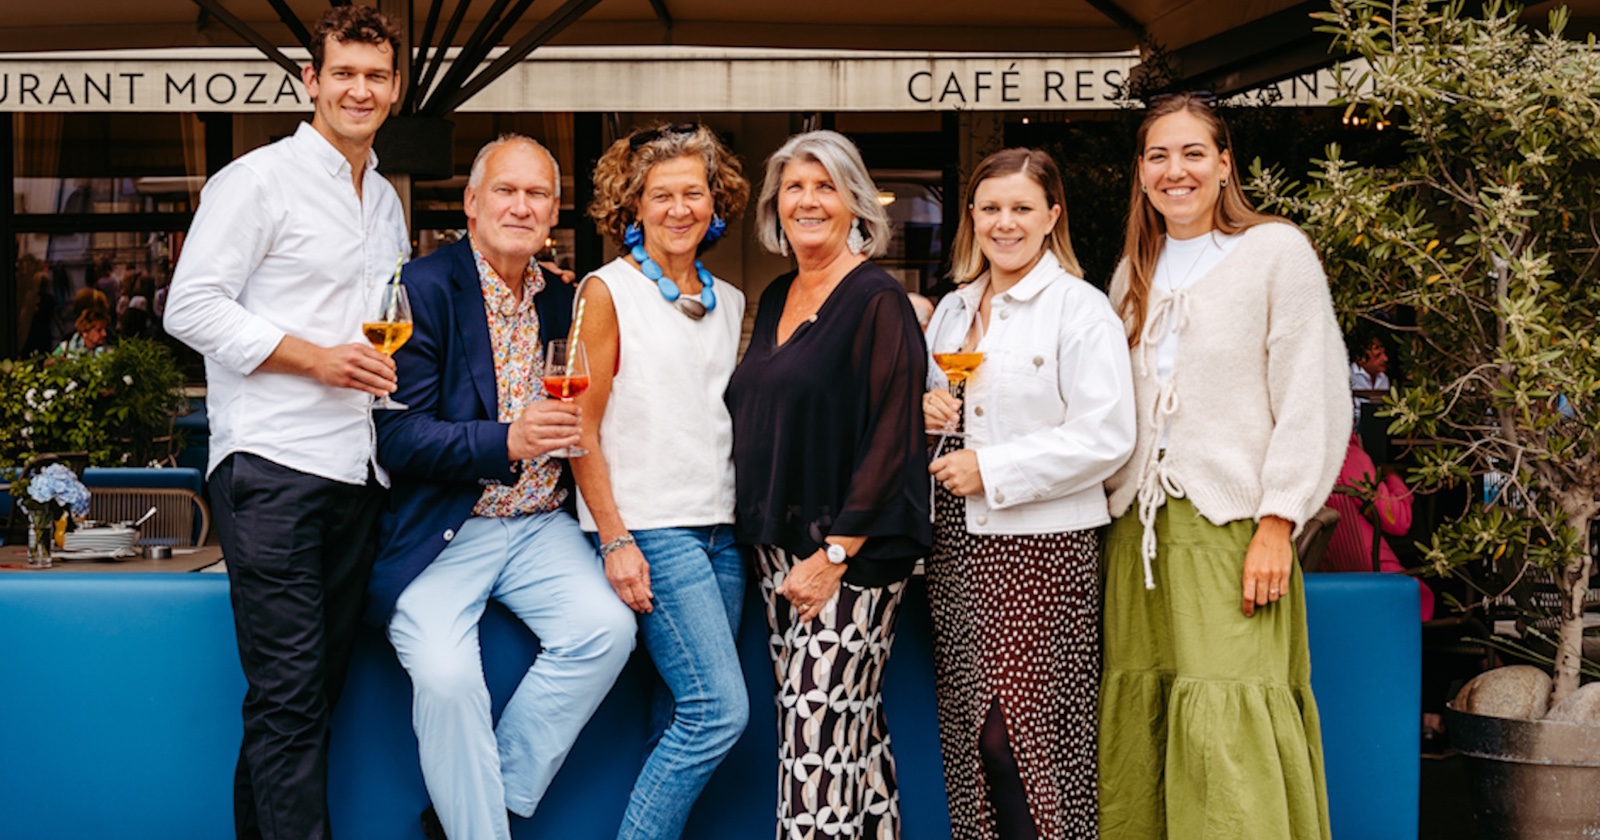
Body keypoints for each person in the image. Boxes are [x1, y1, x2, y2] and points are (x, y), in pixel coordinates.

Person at [162, 8, 409, 838]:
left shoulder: (383, 200)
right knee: (292, 700)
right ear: (312, 80)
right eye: (344, 72)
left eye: (375, 75)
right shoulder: (255, 179)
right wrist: (317, 359)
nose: (359, 89)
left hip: (355, 472)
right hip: (270, 468)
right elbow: (188, 308)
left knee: (301, 702)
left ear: (396, 88)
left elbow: (384, 321)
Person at [369, 134, 635, 840]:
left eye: (537, 194)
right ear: (471, 203)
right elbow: (395, 437)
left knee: (606, 632)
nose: (521, 206)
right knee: (448, 679)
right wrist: (506, 439)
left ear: (554, 212)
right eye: (506, 191)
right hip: (444, 528)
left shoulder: (568, 301)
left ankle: (483, 804)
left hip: (542, 523)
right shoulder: (421, 288)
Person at [1098, 93, 1350, 840]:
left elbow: (1312, 394)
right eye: (1158, 156)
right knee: (1143, 721)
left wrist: (1279, 520)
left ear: (1224, 163)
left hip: (1232, 529)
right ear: (1141, 172)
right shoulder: (1129, 275)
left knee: (1229, 725)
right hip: (1135, 538)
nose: (1176, 170)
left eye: (1192, 153)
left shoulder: (1276, 253)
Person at [922, 148, 1136, 840]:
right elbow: (943, 414)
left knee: (1019, 738)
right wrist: (926, 412)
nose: (1004, 223)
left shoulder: (1080, 309)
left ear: (1052, 216)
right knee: (971, 738)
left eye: (1021, 208)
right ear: (972, 218)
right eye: (990, 208)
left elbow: (1109, 436)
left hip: (1042, 550)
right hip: (956, 546)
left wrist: (993, 469)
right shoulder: (952, 311)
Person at [726, 130, 932, 840]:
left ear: (854, 203)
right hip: (777, 549)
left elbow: (892, 435)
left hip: (850, 554)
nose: (808, 201)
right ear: (775, 206)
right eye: (794, 188)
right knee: (847, 735)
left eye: (825, 187)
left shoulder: (878, 299)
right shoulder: (778, 291)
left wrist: (835, 554)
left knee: (813, 740)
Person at [572, 122, 751, 840]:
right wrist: (614, 538)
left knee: (677, 714)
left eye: (694, 194)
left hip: (723, 533)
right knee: (717, 711)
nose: (680, 208)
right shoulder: (607, 290)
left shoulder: (730, 300)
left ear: (717, 203)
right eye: (662, 195)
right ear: (633, 206)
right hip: (650, 527)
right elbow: (579, 426)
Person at [1324, 433, 1434, 620]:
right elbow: (1398, 521)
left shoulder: (1302, 458)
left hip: (1325, 581)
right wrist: (1393, 478)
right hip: (1377, 579)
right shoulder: (1349, 457)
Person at [1348, 327, 1391, 426]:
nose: (1385, 358)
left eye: (1384, 353)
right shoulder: (1348, 376)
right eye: (1378, 355)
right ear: (1361, 358)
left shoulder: (1383, 379)